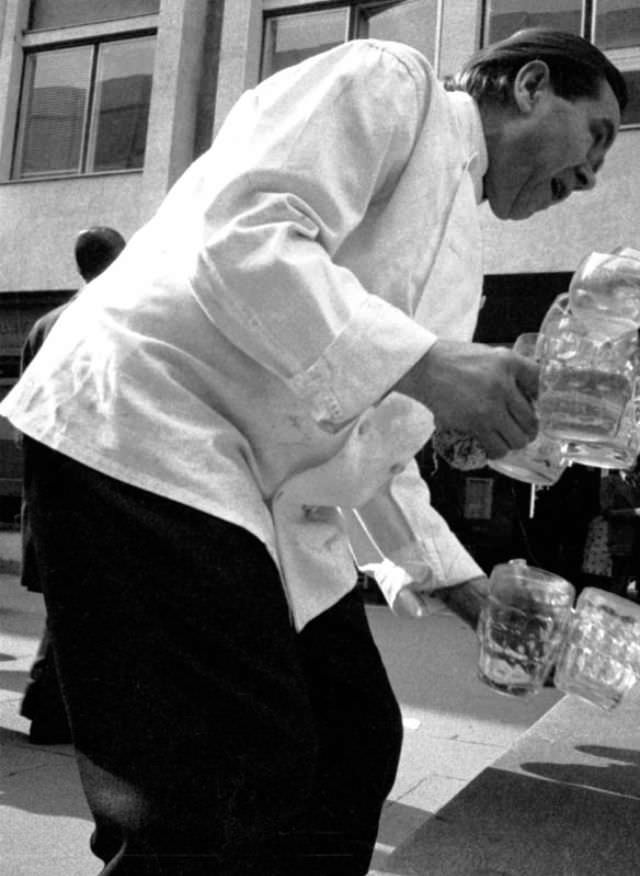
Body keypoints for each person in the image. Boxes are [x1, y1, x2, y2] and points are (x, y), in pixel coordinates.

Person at [0, 28, 626, 875]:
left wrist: (461, 584)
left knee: (352, 736)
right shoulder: (390, 82)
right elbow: (243, 229)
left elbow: (379, 437)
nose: (592, 176)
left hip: (255, 494)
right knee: (223, 773)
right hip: (143, 431)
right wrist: (431, 363)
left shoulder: (463, 263)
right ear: (530, 84)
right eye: (594, 135)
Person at [18, 226, 125, 745]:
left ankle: (56, 709)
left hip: (50, 489)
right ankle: (53, 710)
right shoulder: (115, 322)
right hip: (94, 490)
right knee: (86, 612)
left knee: (71, 608)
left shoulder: (44, 326)